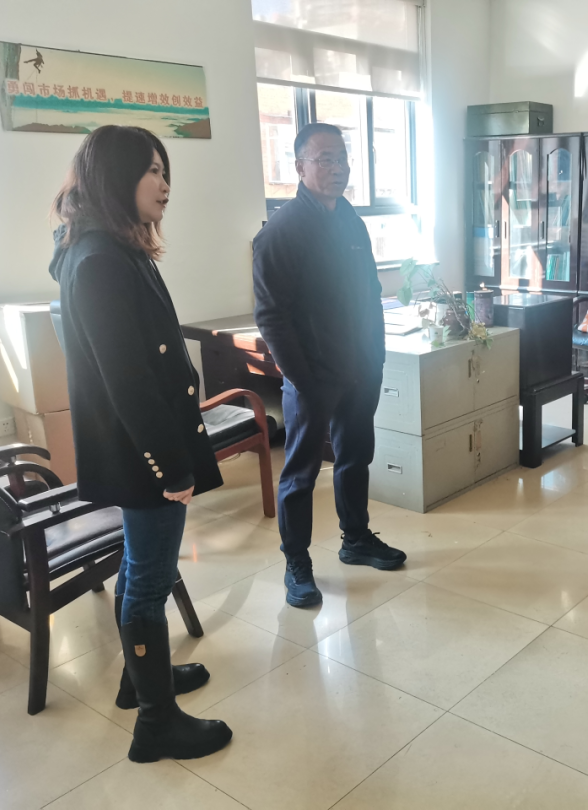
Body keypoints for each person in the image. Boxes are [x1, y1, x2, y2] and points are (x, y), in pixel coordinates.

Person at [50, 125, 232, 762]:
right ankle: (156, 724)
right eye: (151, 170)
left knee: (137, 566)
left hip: (139, 447)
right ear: (114, 177)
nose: (164, 183)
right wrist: (171, 465)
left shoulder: (108, 248)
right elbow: (128, 381)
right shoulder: (99, 260)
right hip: (142, 451)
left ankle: (139, 679)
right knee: (151, 579)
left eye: (164, 169)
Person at [253, 122, 406, 609]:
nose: (337, 168)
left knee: (356, 455)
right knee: (300, 473)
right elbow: (271, 317)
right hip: (312, 378)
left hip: (360, 368)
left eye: (342, 158)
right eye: (325, 159)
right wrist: (302, 379)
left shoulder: (351, 221)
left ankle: (355, 538)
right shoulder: (280, 232)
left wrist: (376, 354)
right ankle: (296, 563)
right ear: (299, 167)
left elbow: (370, 293)